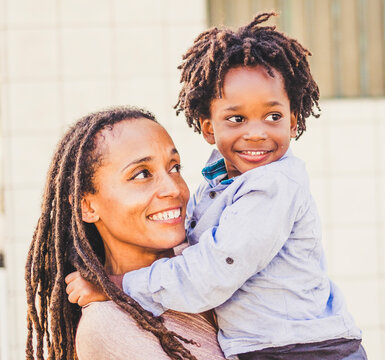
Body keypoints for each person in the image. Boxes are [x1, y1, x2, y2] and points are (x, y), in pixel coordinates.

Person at [70, 12, 366, 359]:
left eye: (273, 117)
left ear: (293, 122)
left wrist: (119, 286)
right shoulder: (109, 327)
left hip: (304, 350)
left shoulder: (271, 186)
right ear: (209, 129)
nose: (256, 132)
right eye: (237, 119)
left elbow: (213, 272)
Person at [26, 106, 226, 360]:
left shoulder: (211, 256)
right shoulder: (108, 326)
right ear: (87, 206)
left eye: (174, 167)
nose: (173, 189)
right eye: (142, 174)